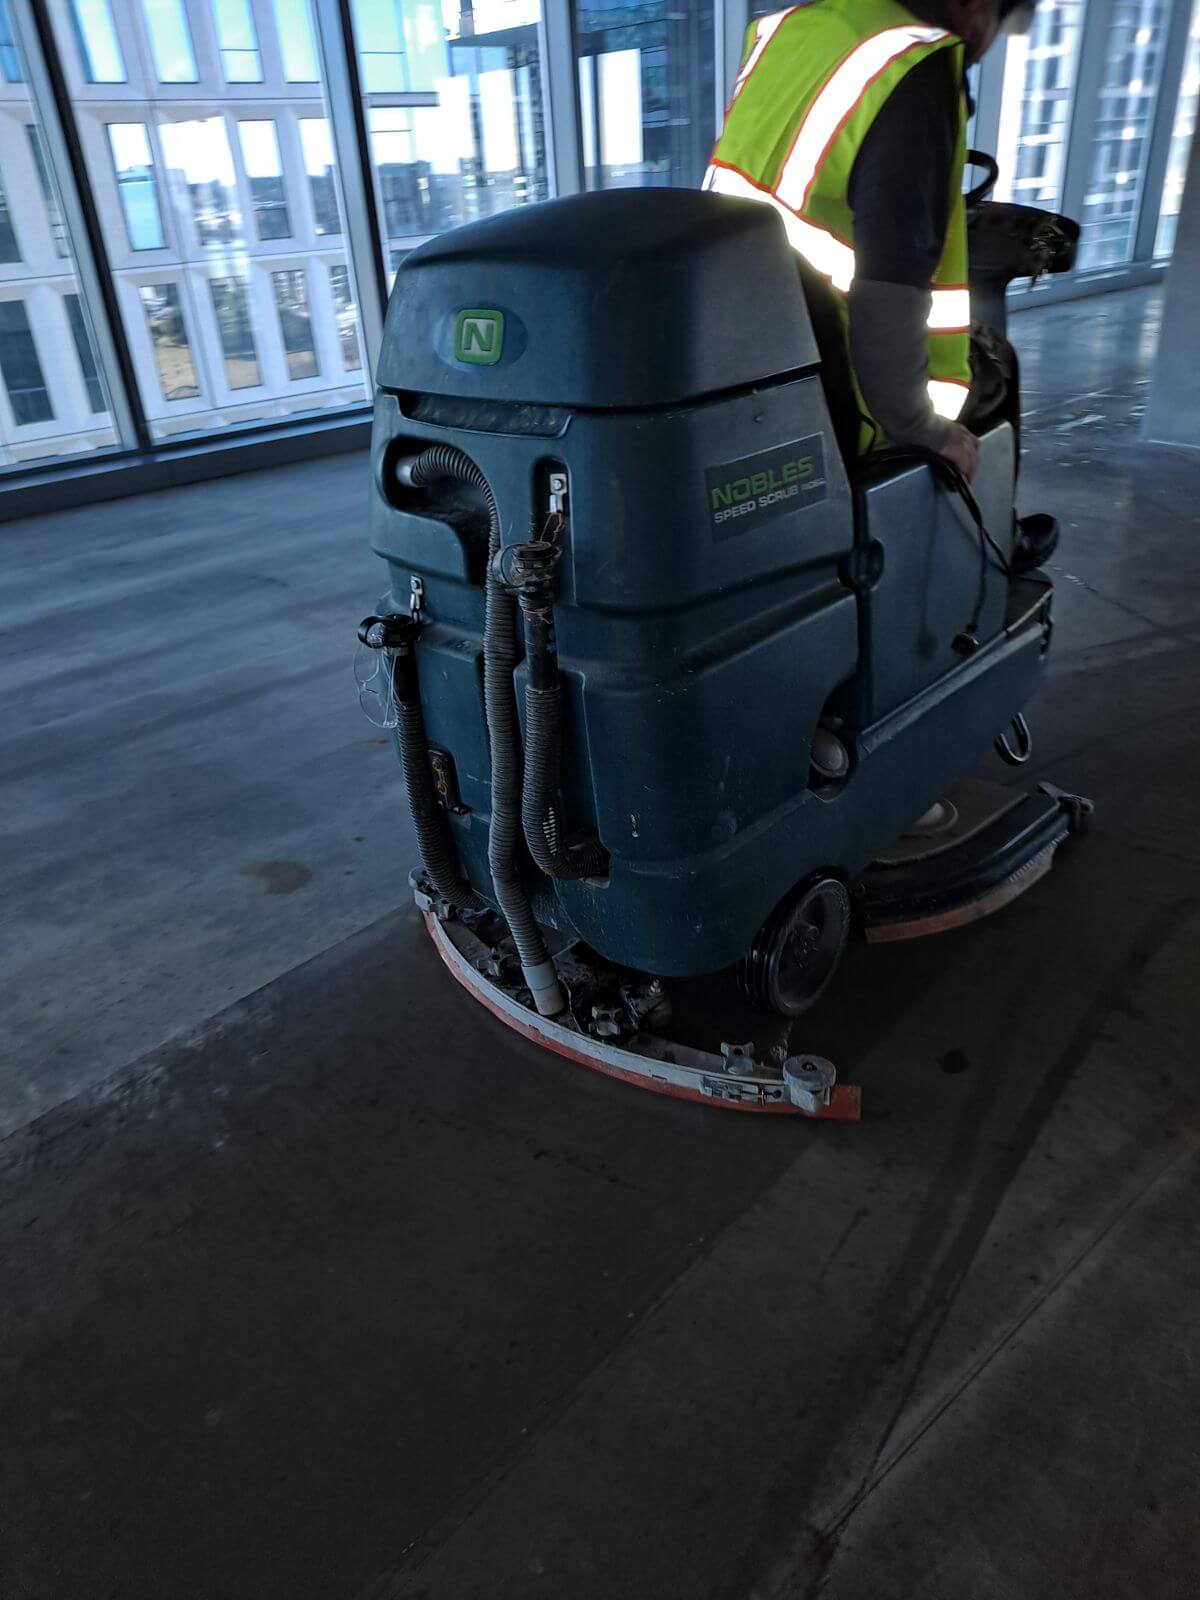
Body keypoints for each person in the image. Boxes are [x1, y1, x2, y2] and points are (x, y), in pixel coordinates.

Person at [706, 0, 1037, 492]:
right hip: (839, 377)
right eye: (1002, 19)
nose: (988, 42)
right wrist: (921, 427)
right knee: (996, 363)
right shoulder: (916, 65)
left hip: (742, 346)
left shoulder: (786, 31)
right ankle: (986, 531)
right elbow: (889, 289)